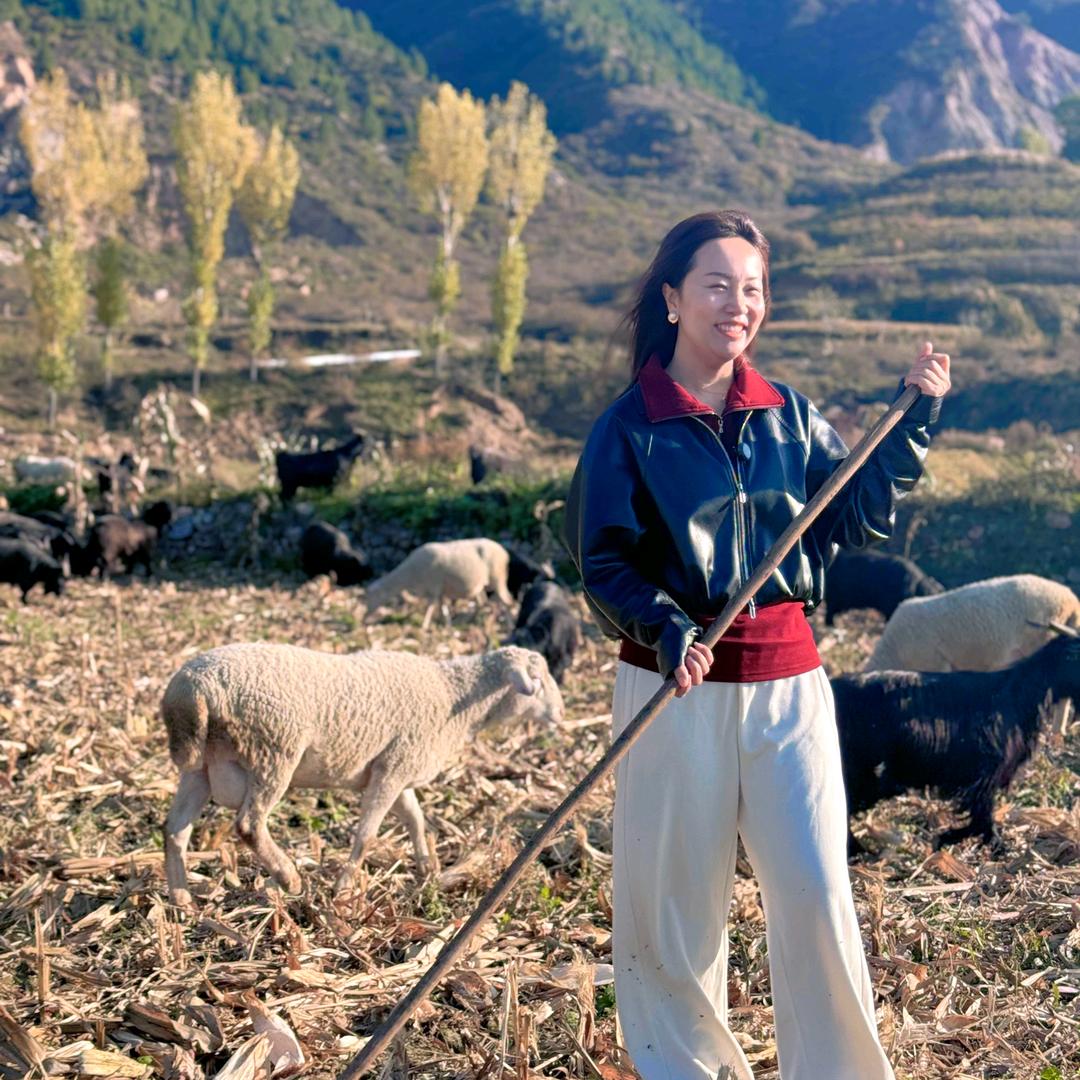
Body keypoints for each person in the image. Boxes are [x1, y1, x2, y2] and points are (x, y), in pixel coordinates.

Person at [564, 210, 950, 1080]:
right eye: (717, 285)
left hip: (788, 685)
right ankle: (685, 1069)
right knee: (674, 909)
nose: (738, 304)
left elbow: (852, 514)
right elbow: (602, 560)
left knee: (817, 891)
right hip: (674, 690)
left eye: (752, 288)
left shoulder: (788, 415)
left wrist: (914, 419)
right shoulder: (629, 428)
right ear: (672, 299)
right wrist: (666, 626)